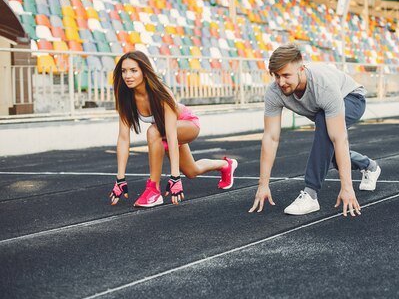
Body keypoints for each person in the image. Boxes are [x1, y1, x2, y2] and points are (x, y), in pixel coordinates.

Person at [248, 43, 381, 217]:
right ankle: (369, 166)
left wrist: (346, 188)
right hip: (324, 110)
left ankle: (310, 194)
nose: (281, 82)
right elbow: (271, 137)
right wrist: (263, 184)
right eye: (276, 76)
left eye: (286, 75)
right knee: (327, 149)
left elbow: (339, 138)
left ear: (301, 69)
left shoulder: (323, 86)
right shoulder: (274, 92)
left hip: (352, 98)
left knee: (325, 130)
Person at [108, 51, 237, 208]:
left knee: (153, 131)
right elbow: (123, 138)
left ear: (144, 71)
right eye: (124, 71)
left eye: (133, 70)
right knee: (191, 171)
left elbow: (170, 134)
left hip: (187, 124)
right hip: (166, 132)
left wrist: (175, 176)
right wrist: (120, 178)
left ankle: (153, 191)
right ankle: (225, 165)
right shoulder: (125, 96)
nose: (128, 75)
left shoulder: (160, 93)